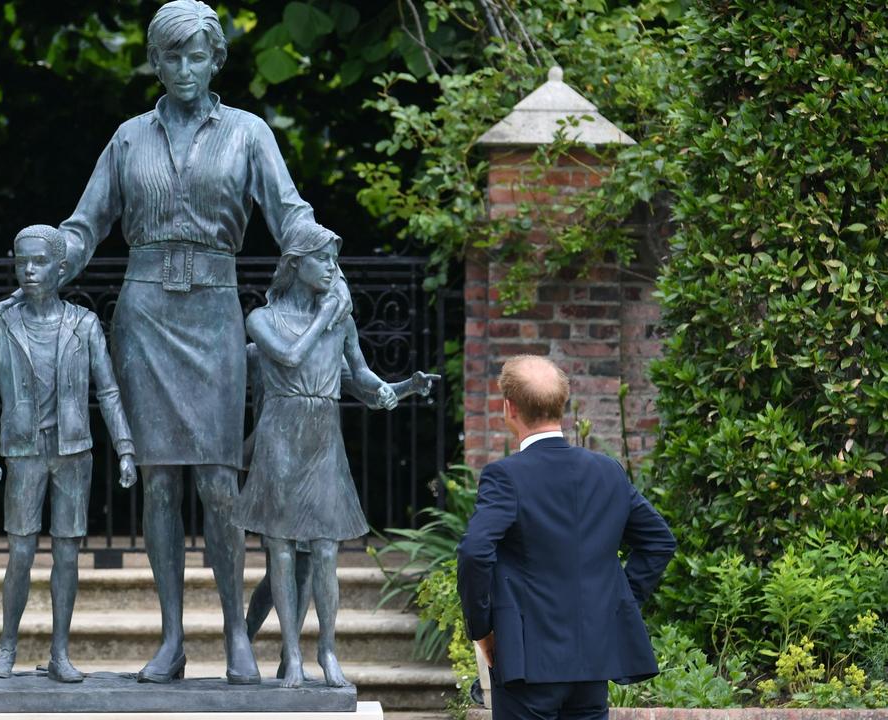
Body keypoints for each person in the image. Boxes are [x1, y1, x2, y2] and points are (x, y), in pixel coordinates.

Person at [55, 0, 350, 685]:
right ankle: (171, 639)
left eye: (197, 56)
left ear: (216, 60)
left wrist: (325, 262)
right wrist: (50, 260)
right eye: (171, 56)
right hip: (146, 313)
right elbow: (86, 222)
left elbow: (289, 212)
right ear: (154, 62)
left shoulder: (248, 133)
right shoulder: (128, 138)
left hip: (214, 313)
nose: (184, 69)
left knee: (219, 481)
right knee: (159, 481)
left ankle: (234, 637)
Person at [232, 225, 439, 688]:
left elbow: (361, 378)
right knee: (281, 549)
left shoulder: (340, 321)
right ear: (295, 265)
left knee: (325, 549)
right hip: (281, 435)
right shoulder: (263, 319)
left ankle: (326, 650)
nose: (331, 267)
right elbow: (287, 357)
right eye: (322, 259)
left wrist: (402, 388)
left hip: (323, 435)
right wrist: (326, 314)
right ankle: (292, 656)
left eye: (333, 260)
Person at [457, 355, 677, 720]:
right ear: (562, 404)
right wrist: (613, 603)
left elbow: (475, 551)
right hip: (592, 659)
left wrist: (482, 629)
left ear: (509, 408)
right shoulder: (607, 471)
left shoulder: (505, 477)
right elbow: (658, 541)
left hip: (529, 662)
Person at [0, 225, 137, 682]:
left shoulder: (83, 324)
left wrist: (125, 448)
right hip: (23, 452)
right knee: (19, 553)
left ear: (61, 268)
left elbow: (110, 391)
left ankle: (60, 652)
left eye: (39, 262)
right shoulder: (2, 324)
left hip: (74, 451)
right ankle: (7, 647)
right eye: (22, 262)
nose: (30, 271)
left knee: (67, 554)